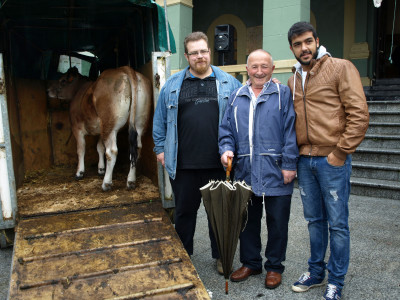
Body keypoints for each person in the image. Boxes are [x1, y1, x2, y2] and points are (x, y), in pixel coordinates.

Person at [287, 22, 369, 300]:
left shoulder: (340, 67)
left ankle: (336, 280)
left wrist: (341, 152)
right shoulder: (294, 78)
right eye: (297, 44)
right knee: (314, 221)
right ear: (292, 48)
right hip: (304, 161)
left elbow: (358, 113)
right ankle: (316, 272)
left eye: (308, 41)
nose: (304, 48)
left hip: (331, 159)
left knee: (337, 223)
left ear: (317, 41)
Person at [152, 31, 242, 274]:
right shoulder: (172, 85)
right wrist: (160, 149)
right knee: (184, 214)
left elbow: (243, 112)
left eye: (204, 51)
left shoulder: (229, 83)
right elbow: (159, 120)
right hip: (183, 165)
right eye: (194, 53)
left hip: (218, 163)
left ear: (209, 52)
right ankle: (184, 256)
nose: (200, 56)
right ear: (186, 56)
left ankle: (221, 256)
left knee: (219, 216)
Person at [219, 49, 298, 289]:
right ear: (247, 69)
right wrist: (225, 149)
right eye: (255, 67)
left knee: (277, 222)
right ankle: (251, 262)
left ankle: (274, 267)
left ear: (272, 69)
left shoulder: (283, 94)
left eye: (265, 66)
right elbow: (226, 131)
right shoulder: (236, 96)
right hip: (245, 170)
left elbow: (291, 132)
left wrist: (289, 164)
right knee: (247, 221)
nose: (260, 71)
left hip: (276, 170)